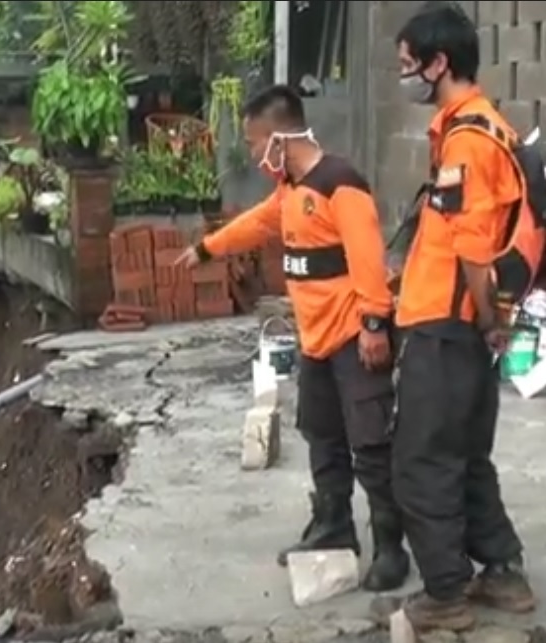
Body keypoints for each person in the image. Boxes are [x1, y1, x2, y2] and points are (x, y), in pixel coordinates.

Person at [177, 84, 409, 592]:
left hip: (353, 335)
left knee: (370, 444)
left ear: (281, 138)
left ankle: (392, 547)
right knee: (323, 439)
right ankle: (333, 528)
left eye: (258, 145)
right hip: (316, 342)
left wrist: (374, 325)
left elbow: (368, 260)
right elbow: (258, 224)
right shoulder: (290, 192)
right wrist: (207, 248)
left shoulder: (341, 185)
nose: (257, 157)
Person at [371, 4, 539, 631]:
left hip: (446, 326)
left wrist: (487, 318)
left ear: (439, 63)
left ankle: (445, 592)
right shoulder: (487, 126)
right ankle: (502, 572)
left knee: (419, 462)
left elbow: (472, 247)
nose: (405, 75)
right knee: (466, 455)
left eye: (409, 63)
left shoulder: (467, 139)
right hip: (463, 326)